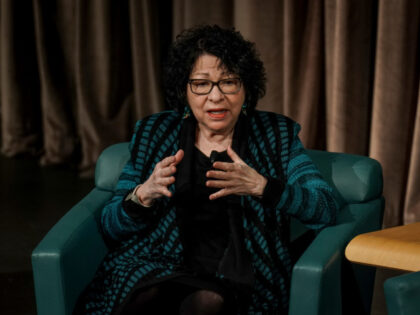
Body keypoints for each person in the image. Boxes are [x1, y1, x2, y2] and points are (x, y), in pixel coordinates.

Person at [75, 24, 338, 314]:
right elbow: (110, 227)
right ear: (184, 90)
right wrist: (142, 195)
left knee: (208, 303)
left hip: (242, 273)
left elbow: (325, 207)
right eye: (201, 84)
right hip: (159, 263)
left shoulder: (276, 136)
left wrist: (264, 187)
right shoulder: (155, 133)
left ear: (246, 88)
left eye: (228, 82)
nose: (215, 96)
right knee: (144, 297)